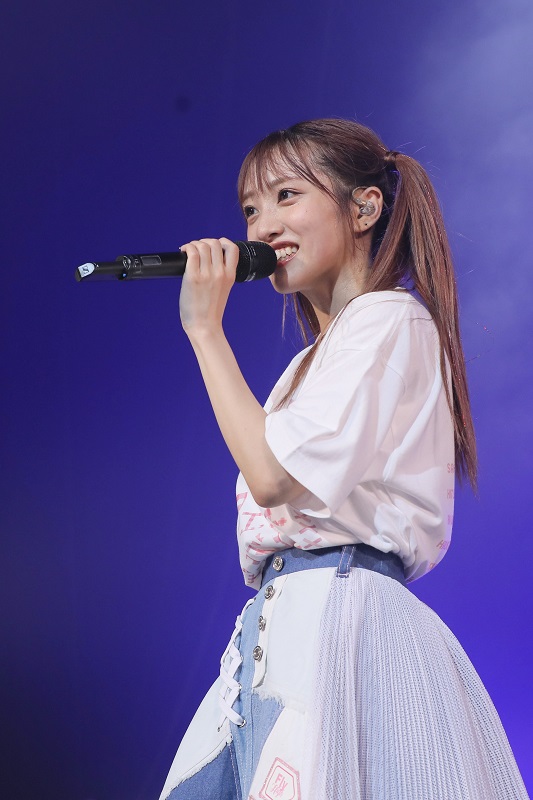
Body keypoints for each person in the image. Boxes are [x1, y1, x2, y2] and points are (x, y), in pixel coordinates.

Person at [159, 119, 529, 800]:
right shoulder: (307, 364)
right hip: (277, 627)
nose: (263, 225)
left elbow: (271, 478)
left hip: (342, 619)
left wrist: (204, 330)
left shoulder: (391, 320)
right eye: (250, 209)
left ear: (363, 207)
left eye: (286, 196)